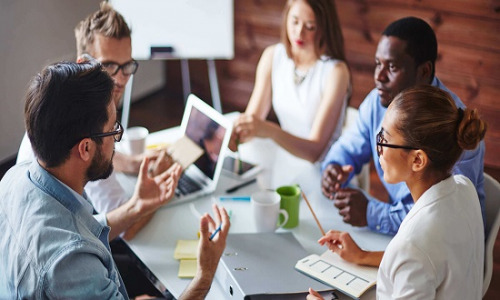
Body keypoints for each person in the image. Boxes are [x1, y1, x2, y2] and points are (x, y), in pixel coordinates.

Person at [0, 61, 230, 299]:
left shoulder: (15, 178)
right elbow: (73, 247)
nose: (116, 141)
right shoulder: (73, 264)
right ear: (85, 148)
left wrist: (137, 206)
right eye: (113, 130)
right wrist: (205, 275)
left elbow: (78, 229)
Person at [308, 86, 486, 299]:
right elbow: (429, 263)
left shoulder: (413, 244)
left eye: (385, 139)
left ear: (417, 160)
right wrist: (362, 256)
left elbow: (416, 256)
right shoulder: (464, 188)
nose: (378, 149)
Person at [321, 16, 486, 235]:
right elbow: (348, 147)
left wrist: (372, 213)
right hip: (405, 237)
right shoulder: (377, 101)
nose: (379, 76)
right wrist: (334, 167)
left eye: (392, 67)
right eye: (378, 63)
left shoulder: (452, 127)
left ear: (424, 71)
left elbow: (442, 220)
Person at [16, 1, 167, 239]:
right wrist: (159, 195)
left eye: (126, 66)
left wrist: (132, 163)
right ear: (83, 63)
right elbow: (122, 227)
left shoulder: (58, 105)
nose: (120, 79)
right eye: (108, 65)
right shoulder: (88, 127)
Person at [230, 0, 350, 162]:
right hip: (287, 159)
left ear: (324, 28)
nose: (299, 33)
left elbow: (314, 152)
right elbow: (253, 122)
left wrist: (270, 131)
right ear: (286, 17)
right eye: (294, 22)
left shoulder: (336, 72)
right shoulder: (273, 56)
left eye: (310, 27)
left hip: (326, 169)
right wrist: (234, 135)